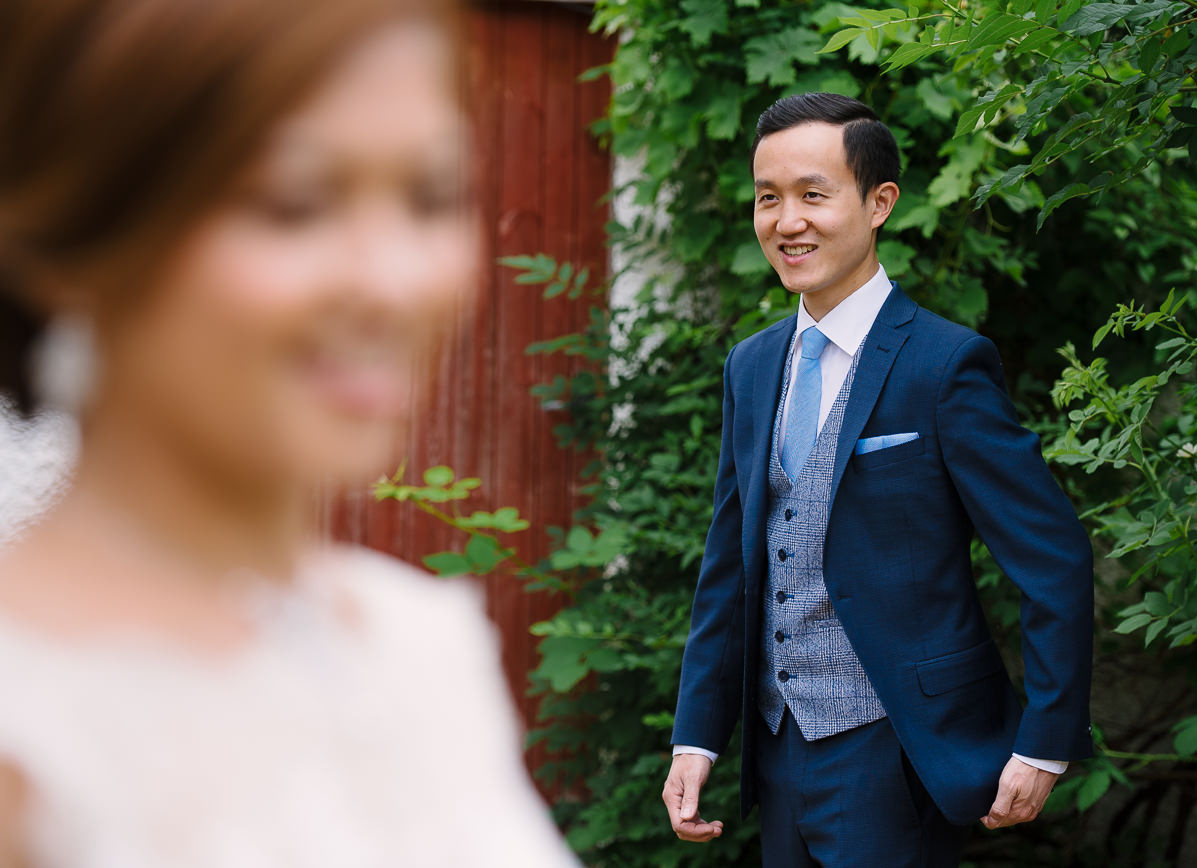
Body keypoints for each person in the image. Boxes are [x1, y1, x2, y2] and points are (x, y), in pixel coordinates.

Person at [0, 1, 576, 865]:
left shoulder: (419, 642)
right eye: (294, 203)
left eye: (431, 197)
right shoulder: (26, 732)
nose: (392, 280)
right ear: (84, 232)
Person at [662, 92, 1094, 867]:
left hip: (895, 752)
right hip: (776, 750)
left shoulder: (944, 364)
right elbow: (730, 565)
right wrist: (697, 735)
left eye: (813, 195)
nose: (787, 220)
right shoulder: (753, 366)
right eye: (769, 198)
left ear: (879, 202)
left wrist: (1046, 743)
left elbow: (1052, 560)